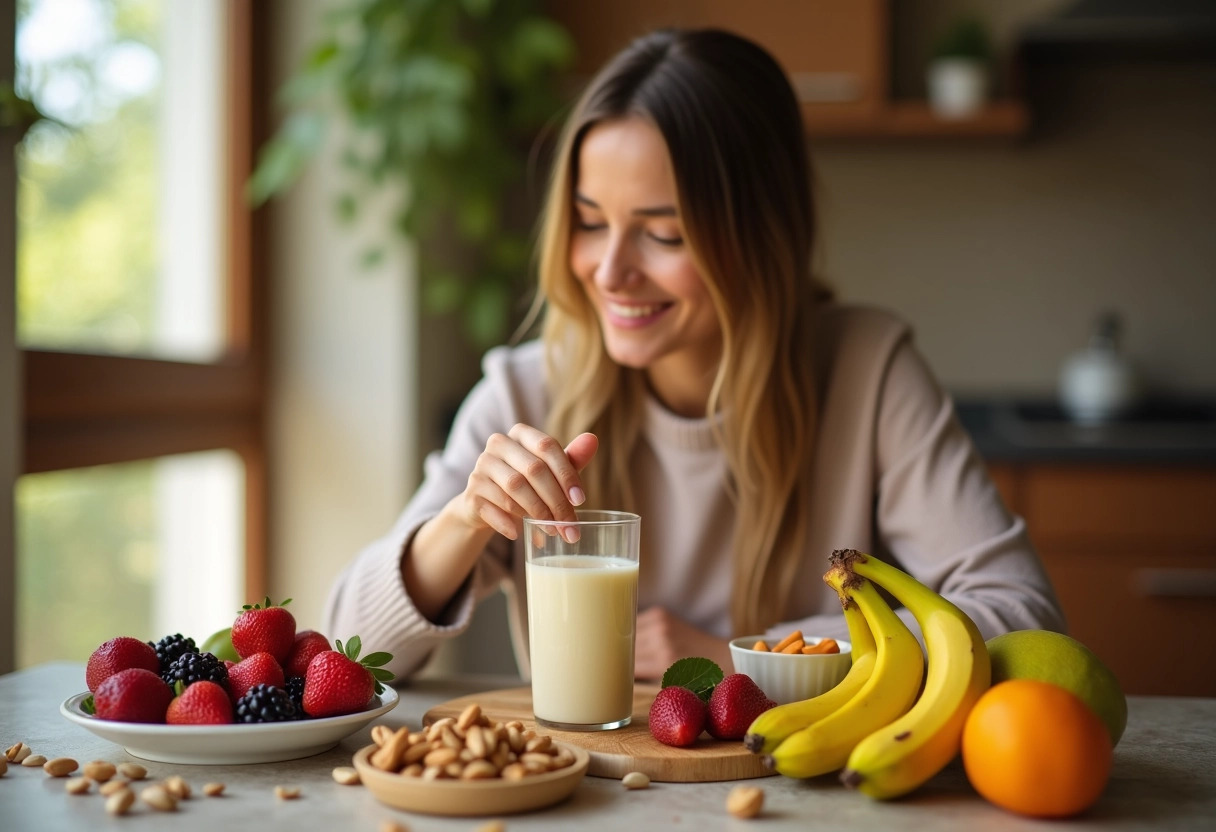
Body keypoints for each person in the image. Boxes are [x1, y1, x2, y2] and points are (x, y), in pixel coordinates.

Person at [324, 28, 1065, 682]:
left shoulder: (867, 371)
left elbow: (1020, 620)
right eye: (589, 222)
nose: (610, 271)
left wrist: (743, 655)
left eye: (663, 233)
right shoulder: (525, 394)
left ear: (759, 235)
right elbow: (346, 650)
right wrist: (463, 522)